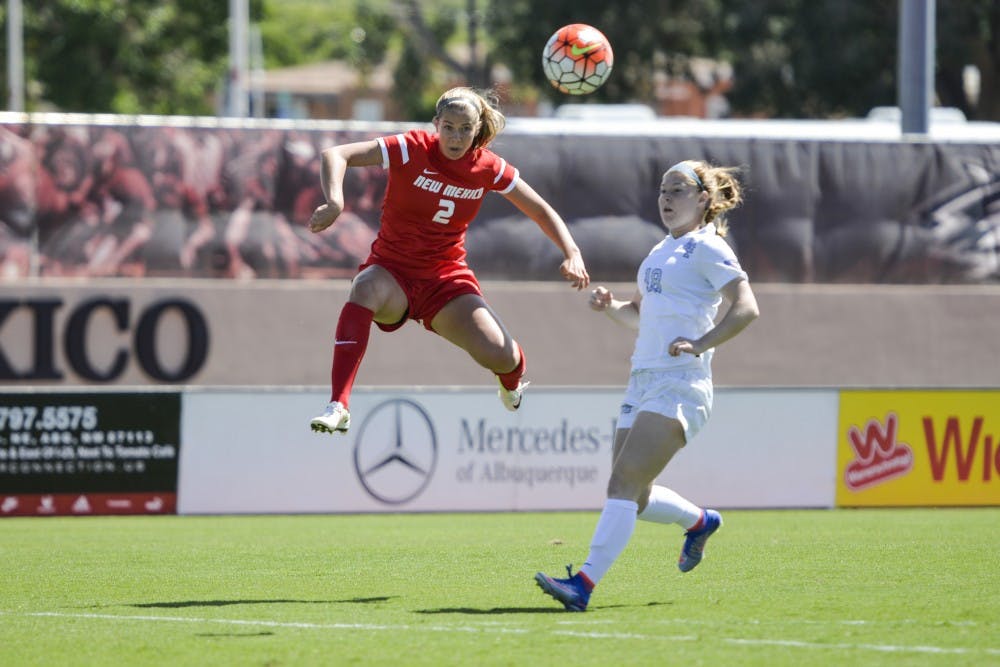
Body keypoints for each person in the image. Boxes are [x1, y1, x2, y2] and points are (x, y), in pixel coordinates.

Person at [535, 160, 759, 611]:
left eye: (677, 189)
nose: (666, 198)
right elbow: (638, 316)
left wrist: (700, 344)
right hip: (642, 380)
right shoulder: (661, 250)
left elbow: (747, 307)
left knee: (622, 483)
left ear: (703, 199)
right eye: (662, 189)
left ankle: (583, 584)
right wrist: (610, 306)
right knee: (632, 496)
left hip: (681, 383)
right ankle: (699, 522)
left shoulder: (707, 247)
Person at [308, 87, 590, 434]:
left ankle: (511, 381)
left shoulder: (488, 167)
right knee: (363, 288)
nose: (456, 137)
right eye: (449, 127)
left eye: (465, 129)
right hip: (392, 273)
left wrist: (572, 252)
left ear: (477, 129)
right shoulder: (410, 148)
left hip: (445, 281)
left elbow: (540, 210)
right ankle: (339, 404)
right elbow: (336, 154)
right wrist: (335, 202)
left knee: (502, 356)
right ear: (435, 124)